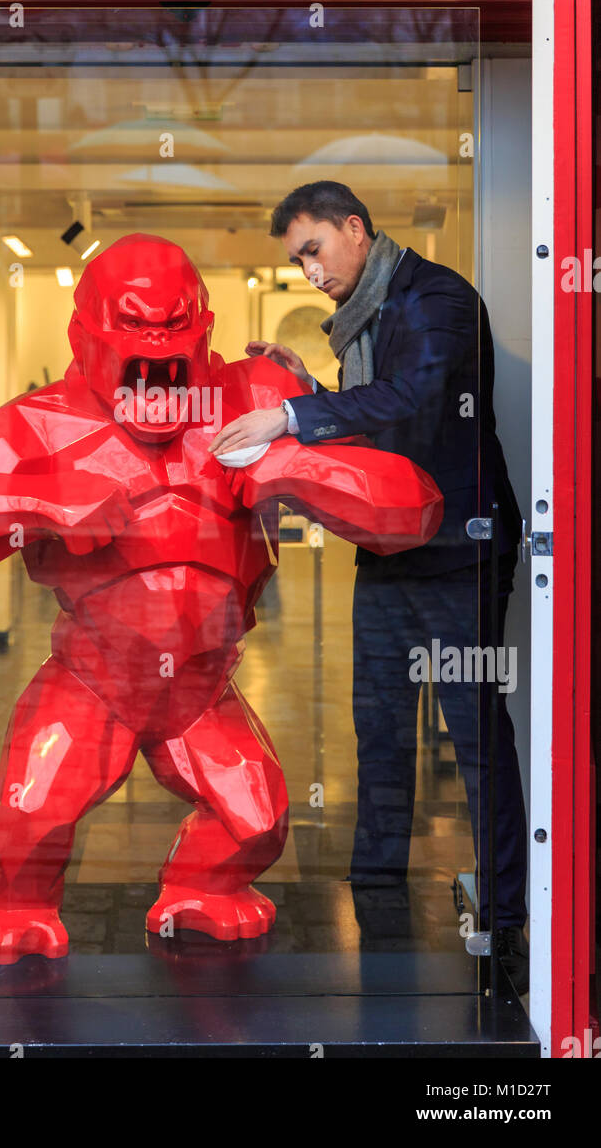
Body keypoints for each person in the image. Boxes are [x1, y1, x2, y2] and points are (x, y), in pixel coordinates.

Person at [209, 179, 529, 993]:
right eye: (295, 260)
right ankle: (378, 891)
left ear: (355, 228)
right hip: (391, 548)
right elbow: (376, 421)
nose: (307, 271)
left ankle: (506, 922)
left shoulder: (437, 299)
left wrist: (289, 420)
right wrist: (304, 388)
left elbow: (412, 401)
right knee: (377, 726)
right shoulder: (367, 315)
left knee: (475, 738)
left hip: (461, 547)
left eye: (312, 250)